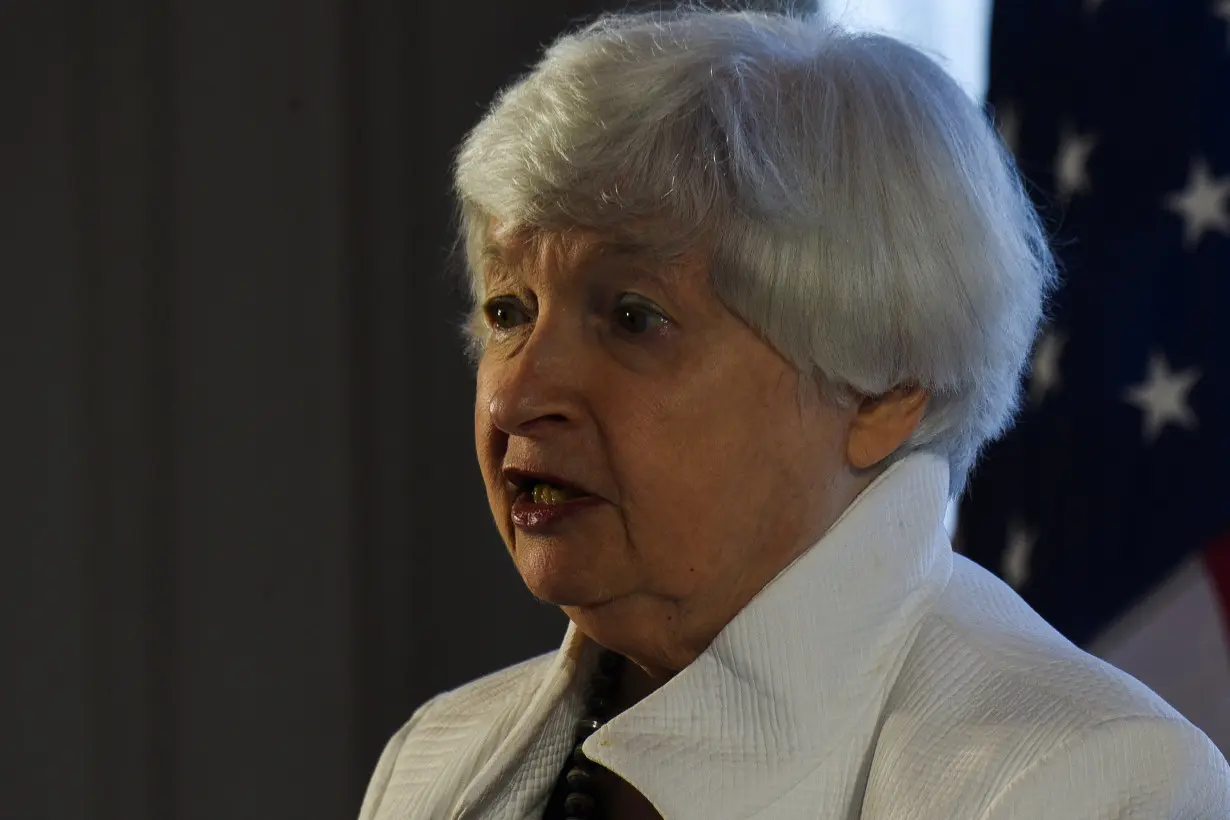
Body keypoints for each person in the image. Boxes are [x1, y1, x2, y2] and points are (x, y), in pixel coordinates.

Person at [359, 6, 1230, 819]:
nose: (514, 397)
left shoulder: (1088, 782)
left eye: (633, 317)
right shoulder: (435, 760)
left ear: (888, 388)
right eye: (509, 312)